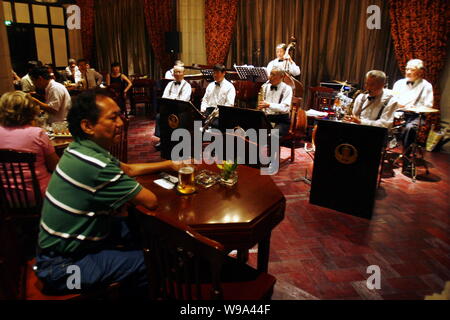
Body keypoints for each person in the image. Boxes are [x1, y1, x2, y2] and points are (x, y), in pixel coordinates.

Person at [34, 89, 186, 296]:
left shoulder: (78, 149)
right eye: (113, 118)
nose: (121, 123)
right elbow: (150, 201)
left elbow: (129, 169)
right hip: (62, 272)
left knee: (138, 229)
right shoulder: (95, 163)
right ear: (87, 126)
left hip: (59, 253)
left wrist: (168, 164)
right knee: (151, 261)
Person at [0, 91, 59, 197]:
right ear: (30, 111)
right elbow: (55, 166)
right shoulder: (37, 134)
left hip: (6, 198)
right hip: (38, 195)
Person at [392, 59, 434, 172]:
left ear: (420, 72)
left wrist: (414, 107)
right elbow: (393, 99)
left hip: (416, 116)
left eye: (412, 69)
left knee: (410, 128)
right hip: (399, 113)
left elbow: (428, 105)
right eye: (407, 69)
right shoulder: (399, 83)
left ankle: (406, 159)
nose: (408, 72)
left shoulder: (426, 86)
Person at [154, 65, 192, 148]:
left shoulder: (187, 86)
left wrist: (171, 100)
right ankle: (163, 140)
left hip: (181, 110)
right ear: (173, 74)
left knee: (176, 118)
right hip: (169, 108)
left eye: (179, 72)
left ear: (183, 73)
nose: (177, 74)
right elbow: (164, 97)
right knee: (159, 116)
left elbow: (183, 100)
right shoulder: (169, 84)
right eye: (175, 72)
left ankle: (177, 144)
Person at [257, 67, 293, 138]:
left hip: (281, 120)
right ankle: (256, 148)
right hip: (267, 118)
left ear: (281, 77)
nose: (270, 77)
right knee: (251, 131)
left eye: (273, 75)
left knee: (273, 136)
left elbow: (285, 108)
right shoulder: (265, 87)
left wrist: (269, 105)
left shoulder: (287, 89)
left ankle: (273, 149)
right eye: (270, 74)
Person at [200, 64, 236, 128]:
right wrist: (203, 111)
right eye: (214, 73)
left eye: (217, 73)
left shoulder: (230, 87)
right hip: (208, 114)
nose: (215, 75)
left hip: (220, 116)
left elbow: (229, 105)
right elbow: (204, 100)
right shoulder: (210, 85)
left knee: (214, 126)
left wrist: (215, 115)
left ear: (223, 73)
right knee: (196, 123)